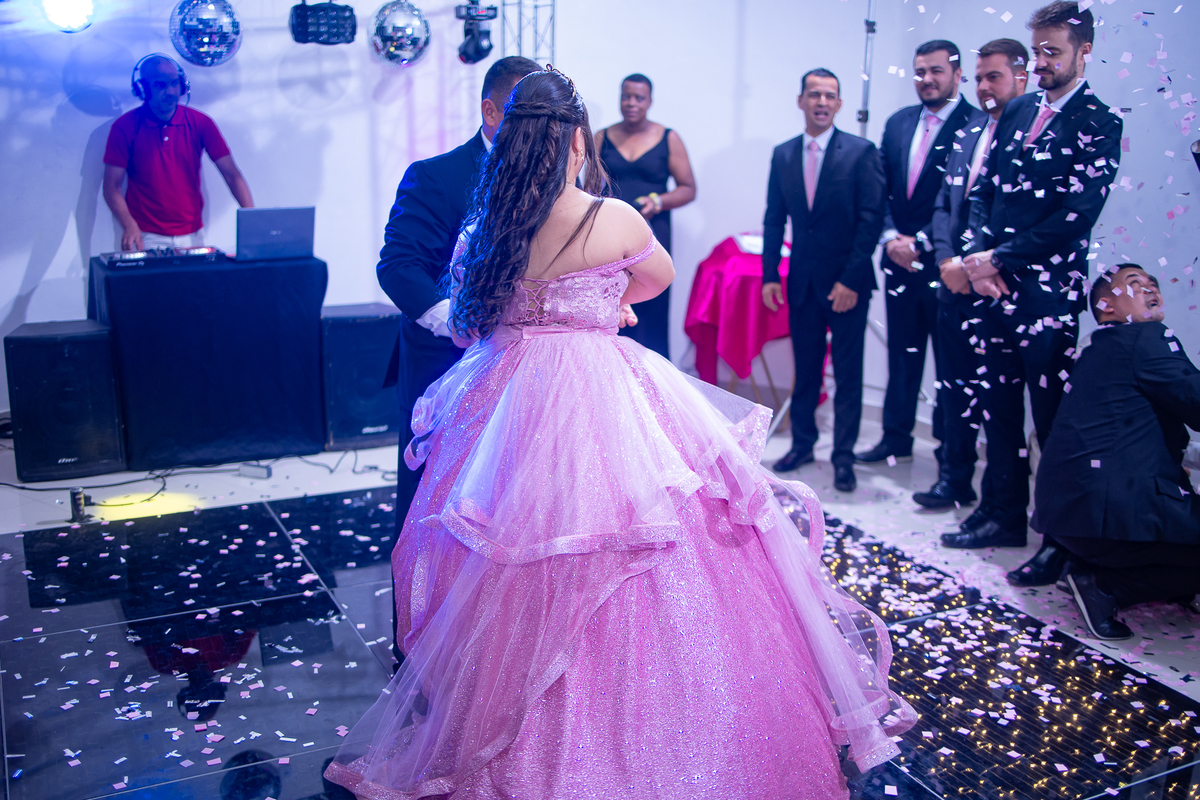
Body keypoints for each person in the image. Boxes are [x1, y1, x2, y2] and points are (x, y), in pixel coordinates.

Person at [325, 68, 913, 799]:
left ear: (511, 142)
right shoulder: (616, 220)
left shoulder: (485, 229)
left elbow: (472, 319)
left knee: (511, 553)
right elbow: (654, 279)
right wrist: (599, 299)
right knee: (642, 539)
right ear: (578, 140)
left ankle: (511, 730)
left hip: (509, 400)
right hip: (601, 388)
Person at [942, 2, 1123, 577]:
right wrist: (978, 261)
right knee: (998, 405)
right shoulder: (1019, 109)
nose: (1040, 62)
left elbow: (1076, 216)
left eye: (1053, 51)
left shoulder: (1101, 123)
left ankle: (1060, 539)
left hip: (1046, 296)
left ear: (1084, 52)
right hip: (992, 289)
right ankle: (1002, 513)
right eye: (1037, 49)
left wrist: (997, 258)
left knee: (1051, 422)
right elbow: (982, 192)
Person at [376, 55, 540, 666]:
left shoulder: (559, 181)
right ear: (491, 111)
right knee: (430, 499)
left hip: (527, 367)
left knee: (512, 498)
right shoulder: (436, 175)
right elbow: (399, 266)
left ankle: (497, 642)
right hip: (442, 365)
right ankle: (417, 644)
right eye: (526, 112)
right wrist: (460, 324)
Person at [1033, 265, 1200, 640]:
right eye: (1135, 284)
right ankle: (1106, 587)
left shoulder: (1096, 349)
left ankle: (1096, 571)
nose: (1150, 289)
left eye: (1153, 284)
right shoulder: (1147, 336)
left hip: (1070, 520)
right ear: (1106, 306)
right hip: (1117, 516)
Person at [915, 39, 1028, 509]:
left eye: (993, 77)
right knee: (954, 391)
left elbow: (1012, 213)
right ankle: (954, 479)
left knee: (999, 405)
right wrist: (947, 262)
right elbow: (945, 204)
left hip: (999, 285)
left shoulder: (1028, 134)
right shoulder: (970, 130)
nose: (983, 87)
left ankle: (1002, 506)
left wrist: (975, 265)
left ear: (1021, 78)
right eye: (979, 78)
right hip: (954, 284)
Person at [762, 68, 887, 493]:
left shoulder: (861, 152)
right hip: (802, 280)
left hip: (849, 283)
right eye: (814, 94)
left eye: (830, 95)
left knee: (848, 373)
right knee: (807, 369)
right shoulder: (783, 154)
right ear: (801, 101)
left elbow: (871, 221)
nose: (821, 102)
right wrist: (770, 275)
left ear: (839, 104)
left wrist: (851, 279)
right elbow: (774, 218)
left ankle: (844, 457)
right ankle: (802, 445)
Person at [856, 40, 978, 467]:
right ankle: (895, 438)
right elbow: (880, 187)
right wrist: (892, 238)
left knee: (950, 361)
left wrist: (921, 242)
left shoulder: (976, 125)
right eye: (920, 71)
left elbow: (962, 202)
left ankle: (949, 450)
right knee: (901, 355)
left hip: (947, 263)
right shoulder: (898, 122)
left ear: (957, 74)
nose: (927, 79)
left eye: (936, 71)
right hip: (897, 260)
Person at [103, 54, 253, 250]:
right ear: (143, 89)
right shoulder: (124, 127)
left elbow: (232, 175)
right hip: (146, 236)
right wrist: (129, 225)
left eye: (174, 83)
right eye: (160, 85)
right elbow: (111, 187)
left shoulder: (201, 123)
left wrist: (253, 222)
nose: (171, 92)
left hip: (193, 235)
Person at [596, 73, 697, 359]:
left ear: (649, 101)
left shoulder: (668, 138)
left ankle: (653, 372)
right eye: (626, 96)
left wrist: (659, 201)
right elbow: (588, 184)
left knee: (652, 303)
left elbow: (688, 188)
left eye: (639, 98)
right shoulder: (602, 136)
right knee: (614, 300)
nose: (632, 103)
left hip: (653, 233)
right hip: (611, 235)